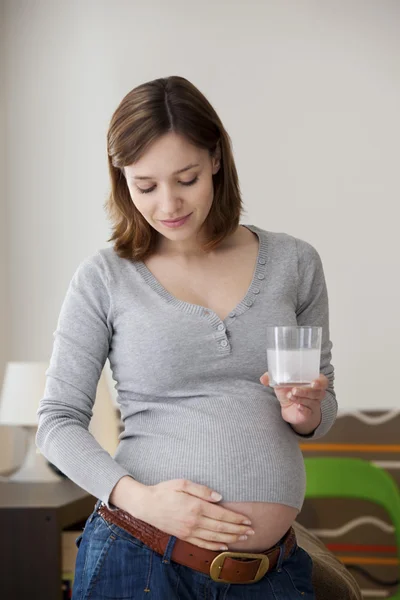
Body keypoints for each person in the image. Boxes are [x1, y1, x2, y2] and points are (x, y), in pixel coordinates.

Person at [36, 75, 337, 599]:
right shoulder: (104, 277)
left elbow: (322, 402)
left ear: (216, 159)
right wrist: (142, 500)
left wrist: (306, 412)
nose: (169, 204)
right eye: (145, 186)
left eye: (187, 178)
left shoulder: (295, 262)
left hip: (271, 574)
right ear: (121, 179)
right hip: (139, 558)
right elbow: (56, 424)